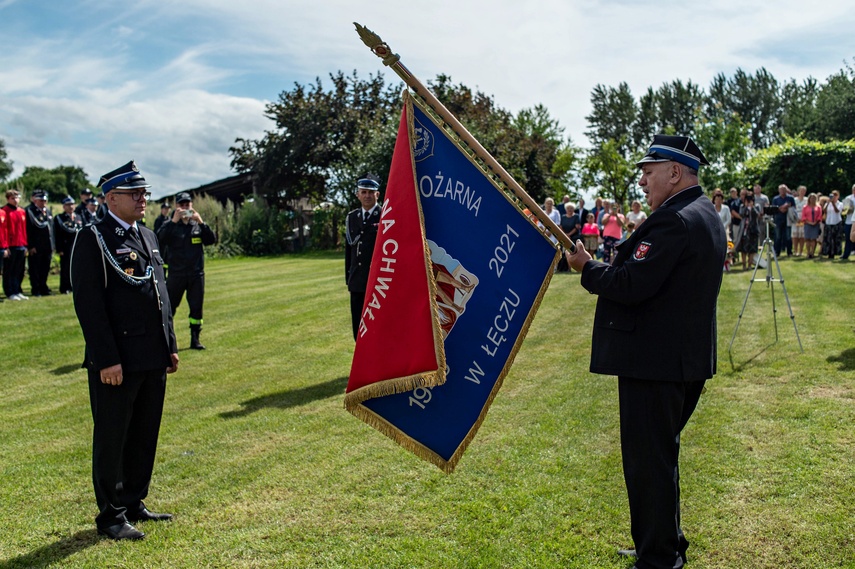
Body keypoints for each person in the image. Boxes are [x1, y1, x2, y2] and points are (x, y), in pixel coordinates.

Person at [565, 134, 726, 569]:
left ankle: (658, 558)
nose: (642, 181)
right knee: (659, 459)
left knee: (648, 466)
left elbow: (632, 285)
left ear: (675, 173)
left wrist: (587, 267)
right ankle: (662, 544)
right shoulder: (704, 213)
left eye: (648, 171)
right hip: (681, 360)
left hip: (656, 363)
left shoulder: (674, 220)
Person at [71, 160, 178, 541]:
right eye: (134, 193)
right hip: (118, 360)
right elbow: (89, 305)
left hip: (151, 356)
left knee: (144, 433)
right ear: (110, 198)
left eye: (144, 192)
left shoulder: (147, 236)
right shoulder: (94, 238)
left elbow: (160, 296)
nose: (142, 198)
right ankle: (111, 515)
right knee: (113, 436)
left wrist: (170, 346)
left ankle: (133, 501)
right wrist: (106, 358)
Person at [156, 192, 217, 349]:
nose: (185, 208)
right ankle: (165, 340)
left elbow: (211, 240)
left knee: (196, 309)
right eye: (182, 205)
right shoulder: (171, 225)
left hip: (196, 275)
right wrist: (173, 222)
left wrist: (201, 222)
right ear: (177, 207)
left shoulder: (197, 225)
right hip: (177, 275)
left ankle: (195, 339)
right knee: (169, 307)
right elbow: (159, 239)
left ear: (192, 206)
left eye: (187, 205)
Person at [345, 175, 382, 340]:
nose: (367, 195)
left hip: (379, 282)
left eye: (371, 192)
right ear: (358, 194)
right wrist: (349, 278)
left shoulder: (385, 215)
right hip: (358, 281)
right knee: (358, 327)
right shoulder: (351, 218)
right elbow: (349, 251)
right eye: (364, 192)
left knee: (378, 323)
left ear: (377, 195)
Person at [25, 189, 54, 296]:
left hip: (47, 245)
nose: (43, 203)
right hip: (36, 246)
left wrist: (53, 245)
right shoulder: (30, 211)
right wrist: (31, 245)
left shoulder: (48, 211)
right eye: (41, 200)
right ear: (35, 200)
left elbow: (51, 229)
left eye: (44, 201)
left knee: (45, 268)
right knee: (35, 269)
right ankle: (36, 289)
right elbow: (29, 229)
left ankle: (43, 287)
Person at [2, 190, 28, 300]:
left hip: (21, 244)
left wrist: (26, 244)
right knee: (9, 270)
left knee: (19, 269)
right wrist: (6, 246)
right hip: (11, 245)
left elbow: (24, 229)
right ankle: (10, 291)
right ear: (8, 199)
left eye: (17, 197)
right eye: (13, 198)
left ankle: (17, 289)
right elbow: (4, 230)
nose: (15, 200)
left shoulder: (22, 211)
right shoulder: (4, 211)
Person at [53, 196, 82, 294]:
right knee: (66, 268)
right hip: (66, 247)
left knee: (77, 267)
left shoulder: (78, 217)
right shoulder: (60, 218)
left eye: (72, 204)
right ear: (64, 207)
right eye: (68, 205)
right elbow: (57, 234)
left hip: (77, 246)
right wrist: (59, 249)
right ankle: (64, 287)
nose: (71, 207)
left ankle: (73, 285)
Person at [770, 184, 795, 257]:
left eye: (784, 190)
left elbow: (793, 207)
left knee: (788, 236)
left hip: (788, 219)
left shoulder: (790, 198)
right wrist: (784, 207)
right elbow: (774, 209)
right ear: (779, 190)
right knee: (777, 236)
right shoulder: (775, 199)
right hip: (778, 219)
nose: (783, 191)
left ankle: (789, 252)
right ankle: (777, 252)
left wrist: (783, 208)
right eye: (781, 190)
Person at [738, 194, 760, 269]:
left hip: (753, 231)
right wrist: (746, 207)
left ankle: (749, 265)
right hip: (744, 231)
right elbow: (741, 214)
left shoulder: (756, 207)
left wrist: (752, 208)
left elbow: (757, 215)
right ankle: (744, 265)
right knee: (743, 249)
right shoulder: (742, 207)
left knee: (752, 249)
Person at [822, 190, 844, 259]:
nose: (834, 197)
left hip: (836, 222)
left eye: (835, 195)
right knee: (828, 238)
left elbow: (837, 211)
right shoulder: (828, 203)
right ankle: (828, 252)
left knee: (836, 239)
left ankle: (835, 252)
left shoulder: (840, 204)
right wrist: (828, 203)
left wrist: (833, 203)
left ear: (838, 196)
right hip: (828, 222)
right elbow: (824, 211)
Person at [801, 193, 822, 258]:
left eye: (814, 198)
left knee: (813, 239)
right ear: (809, 199)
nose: (812, 199)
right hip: (807, 224)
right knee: (807, 239)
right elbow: (803, 216)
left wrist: (815, 222)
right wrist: (809, 222)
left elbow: (819, 216)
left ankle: (812, 252)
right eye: (811, 198)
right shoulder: (805, 207)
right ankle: (808, 252)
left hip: (815, 224)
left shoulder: (818, 207)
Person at [791, 185, 808, 257]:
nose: (802, 192)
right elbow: (792, 210)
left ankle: (801, 251)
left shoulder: (807, 200)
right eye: (801, 191)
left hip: (804, 219)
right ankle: (795, 251)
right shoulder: (794, 200)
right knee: (795, 236)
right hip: (795, 219)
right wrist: (796, 218)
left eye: (804, 191)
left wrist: (804, 218)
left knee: (802, 236)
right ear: (798, 191)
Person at [840, 184, 855, 260]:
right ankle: (846, 254)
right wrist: (848, 210)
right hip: (849, 221)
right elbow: (844, 211)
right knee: (848, 239)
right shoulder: (848, 198)